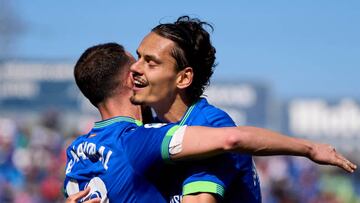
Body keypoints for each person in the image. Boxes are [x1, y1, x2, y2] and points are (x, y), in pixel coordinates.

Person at [64, 42, 356, 203]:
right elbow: (232, 139)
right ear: (132, 79)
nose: (143, 69)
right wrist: (309, 149)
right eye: (138, 64)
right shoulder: (137, 141)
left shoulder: (75, 155)